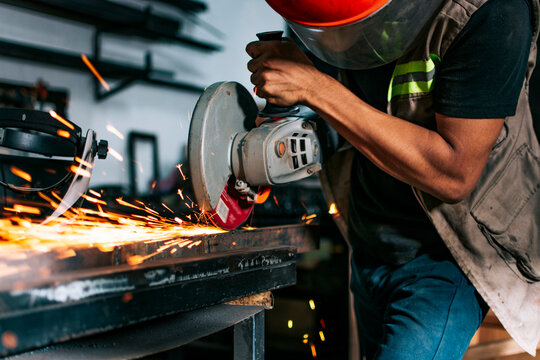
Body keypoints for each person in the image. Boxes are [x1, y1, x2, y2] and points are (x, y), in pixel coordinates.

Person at [246, 0, 540, 359]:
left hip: (448, 257)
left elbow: (453, 175)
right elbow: (350, 116)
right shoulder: (322, 13)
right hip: (368, 238)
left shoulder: (492, 10)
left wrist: (315, 88)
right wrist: (275, 143)